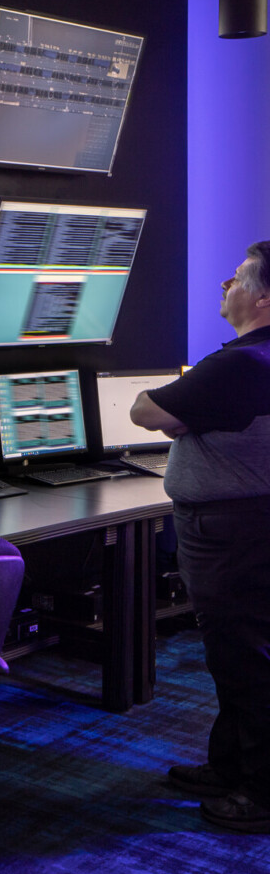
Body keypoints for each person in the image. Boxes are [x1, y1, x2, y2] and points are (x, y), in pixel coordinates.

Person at [131, 240, 270, 833]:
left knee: (246, 660)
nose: (224, 286)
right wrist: (187, 412)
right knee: (235, 655)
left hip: (232, 534)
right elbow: (176, 413)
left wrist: (181, 413)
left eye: (235, 278)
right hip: (246, 529)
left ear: (264, 297)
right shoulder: (251, 361)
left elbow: (143, 410)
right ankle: (231, 766)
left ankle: (261, 793)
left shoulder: (241, 362)